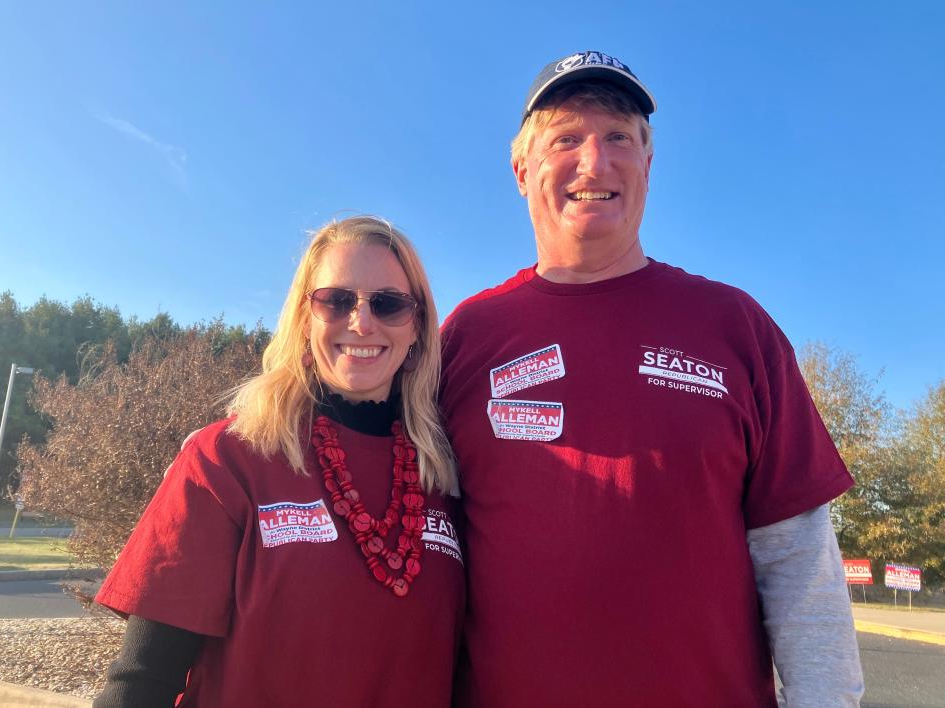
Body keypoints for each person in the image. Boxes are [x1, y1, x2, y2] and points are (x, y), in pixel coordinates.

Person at [440, 51, 864, 706]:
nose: (594, 162)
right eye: (567, 139)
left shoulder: (734, 326)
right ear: (522, 169)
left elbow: (799, 561)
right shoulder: (465, 338)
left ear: (648, 163)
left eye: (618, 138)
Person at [95, 216, 464, 707]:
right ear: (303, 319)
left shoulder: (444, 474)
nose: (362, 321)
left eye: (388, 303)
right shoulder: (226, 460)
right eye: (336, 300)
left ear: (416, 328)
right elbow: (141, 683)